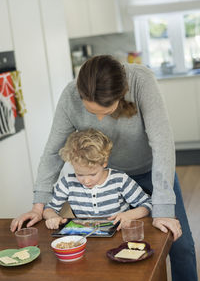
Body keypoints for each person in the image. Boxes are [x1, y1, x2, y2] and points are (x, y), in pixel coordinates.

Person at [11, 55, 197, 281]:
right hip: (106, 178)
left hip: (152, 171)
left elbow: (162, 144)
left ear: (121, 94)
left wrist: (164, 210)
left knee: (180, 244)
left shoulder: (141, 81)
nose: (99, 119)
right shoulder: (70, 96)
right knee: (117, 246)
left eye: (106, 112)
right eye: (92, 112)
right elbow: (53, 152)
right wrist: (38, 206)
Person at [43, 128, 152, 230]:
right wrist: (52, 217)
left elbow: (148, 204)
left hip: (120, 234)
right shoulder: (67, 183)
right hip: (86, 238)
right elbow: (49, 209)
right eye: (80, 174)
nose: (86, 181)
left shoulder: (120, 180)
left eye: (92, 174)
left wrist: (129, 215)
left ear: (104, 163)